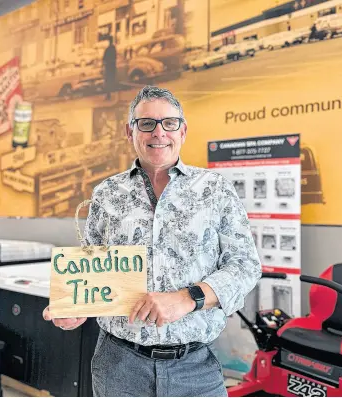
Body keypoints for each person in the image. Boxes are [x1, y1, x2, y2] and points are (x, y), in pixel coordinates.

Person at [43, 85, 262, 397]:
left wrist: (188, 298)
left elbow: (245, 266)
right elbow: (93, 271)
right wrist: (77, 307)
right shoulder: (106, 194)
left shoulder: (215, 190)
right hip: (118, 366)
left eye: (169, 123)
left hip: (196, 367)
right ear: (130, 131)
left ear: (182, 131)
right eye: (146, 123)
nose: (158, 132)